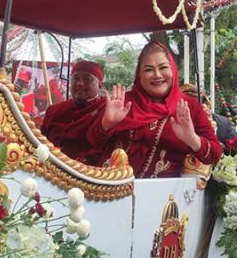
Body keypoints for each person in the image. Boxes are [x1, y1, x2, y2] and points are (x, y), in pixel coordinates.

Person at [91, 41, 222, 178]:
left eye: (163, 67)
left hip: (164, 195)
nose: (157, 75)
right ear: (139, 75)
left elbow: (215, 155)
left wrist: (192, 139)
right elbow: (92, 143)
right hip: (110, 189)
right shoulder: (122, 102)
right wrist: (106, 124)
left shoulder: (189, 106)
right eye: (148, 69)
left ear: (173, 71)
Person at [41, 61, 106, 164]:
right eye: (76, 78)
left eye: (87, 79)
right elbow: (40, 141)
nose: (80, 83)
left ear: (99, 85)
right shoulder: (54, 110)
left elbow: (103, 149)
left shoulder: (106, 110)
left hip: (86, 173)